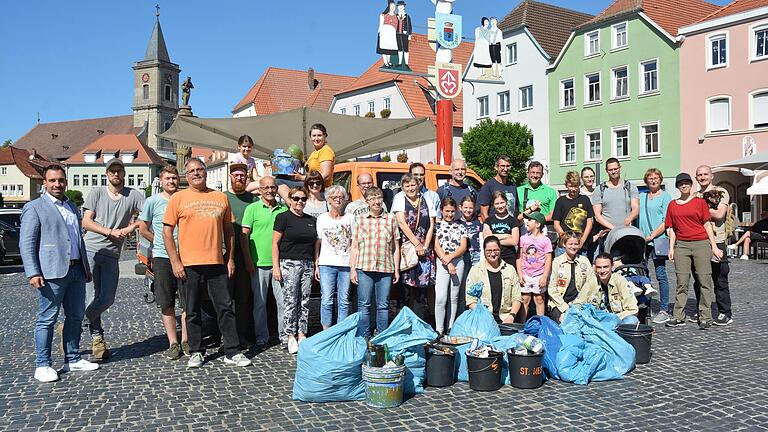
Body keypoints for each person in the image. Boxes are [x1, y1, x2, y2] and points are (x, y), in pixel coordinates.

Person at [163, 158, 251, 368]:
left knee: (225, 308)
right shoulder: (178, 198)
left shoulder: (220, 197)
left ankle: (232, 351)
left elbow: (229, 231)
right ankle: (196, 351)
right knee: (192, 310)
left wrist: (229, 258)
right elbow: (167, 232)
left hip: (216, 261)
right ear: (187, 175)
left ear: (205, 172)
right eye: (192, 170)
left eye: (200, 169)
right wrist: (175, 261)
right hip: (189, 264)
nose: (196, 173)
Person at [21, 164, 99, 382]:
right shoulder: (34, 207)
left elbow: (77, 240)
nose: (57, 184)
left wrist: (85, 267)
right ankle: (42, 364)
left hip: (76, 270)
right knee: (47, 318)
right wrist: (33, 272)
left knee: (75, 316)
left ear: (66, 181)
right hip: (51, 272)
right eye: (53, 180)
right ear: (44, 183)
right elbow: (27, 243)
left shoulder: (72, 206)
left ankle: (72, 358)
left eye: (61, 180)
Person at [81, 158, 145, 360]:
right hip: (91, 248)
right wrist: (108, 231)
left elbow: (147, 216)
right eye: (112, 171)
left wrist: (130, 227)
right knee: (91, 297)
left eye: (119, 171)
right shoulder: (97, 193)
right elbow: (86, 221)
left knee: (107, 298)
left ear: (124, 173)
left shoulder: (133, 194)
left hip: (112, 253)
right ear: (106, 174)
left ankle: (74, 324)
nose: (116, 174)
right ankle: (97, 339)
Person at [138, 165, 188, 359]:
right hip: (162, 257)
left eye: (174, 178)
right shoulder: (153, 201)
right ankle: (173, 342)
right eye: (167, 178)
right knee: (166, 301)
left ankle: (186, 340)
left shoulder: (184, 199)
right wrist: (160, 241)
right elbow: (143, 229)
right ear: (161, 181)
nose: (171, 181)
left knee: (186, 301)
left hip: (185, 255)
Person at [664, 173, 722, 330]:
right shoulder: (672, 205)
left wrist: (714, 246)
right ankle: (678, 316)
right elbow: (672, 229)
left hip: (701, 244)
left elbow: (707, 224)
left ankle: (705, 316)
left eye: (686, 183)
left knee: (704, 281)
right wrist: (671, 248)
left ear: (690, 185)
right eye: (680, 184)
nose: (683, 186)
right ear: (677, 186)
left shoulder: (700, 202)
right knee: (681, 282)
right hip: (681, 246)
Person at [242, 176, 288, 349]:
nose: (270, 190)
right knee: (259, 303)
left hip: (279, 264)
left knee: (283, 302)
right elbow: (244, 236)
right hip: (258, 263)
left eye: (273, 187)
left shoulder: (282, 209)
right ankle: (262, 336)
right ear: (259, 190)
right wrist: (248, 260)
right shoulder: (252, 208)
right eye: (266, 188)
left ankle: (284, 335)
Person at [350, 187, 401, 337]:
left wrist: (396, 269)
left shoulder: (391, 219)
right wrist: (353, 269)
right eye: (372, 198)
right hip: (364, 267)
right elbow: (354, 246)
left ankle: (381, 336)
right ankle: (364, 336)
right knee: (364, 304)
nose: (376, 201)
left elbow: (395, 247)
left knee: (383, 305)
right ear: (367, 202)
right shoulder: (360, 220)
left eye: (378, 197)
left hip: (385, 267)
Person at [272, 187, 317, 354]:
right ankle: (289, 335)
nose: (300, 202)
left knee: (305, 300)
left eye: (303, 199)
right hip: (288, 263)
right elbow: (275, 243)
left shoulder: (311, 219)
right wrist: (276, 267)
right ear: (289, 199)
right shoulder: (283, 217)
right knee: (290, 301)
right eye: (296, 198)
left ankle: (301, 333)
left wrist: (315, 265)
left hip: (307, 264)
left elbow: (314, 245)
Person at [693, 165, 733, 326]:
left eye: (705, 174)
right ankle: (703, 309)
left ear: (711, 176)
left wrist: (699, 208)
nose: (702, 177)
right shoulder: (694, 195)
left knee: (719, 277)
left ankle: (724, 312)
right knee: (699, 278)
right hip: (698, 240)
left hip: (717, 240)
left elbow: (719, 214)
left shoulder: (721, 192)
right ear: (696, 178)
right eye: (699, 175)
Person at [225, 163, 258, 349]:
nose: (239, 178)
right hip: (226, 255)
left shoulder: (253, 200)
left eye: (243, 176)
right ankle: (228, 337)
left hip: (248, 255)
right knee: (226, 299)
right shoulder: (224, 198)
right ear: (230, 177)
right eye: (236, 175)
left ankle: (242, 335)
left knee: (244, 298)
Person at [394, 173, 435, 319]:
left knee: (421, 292)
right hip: (408, 250)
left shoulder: (427, 200)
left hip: (424, 250)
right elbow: (401, 223)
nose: (411, 188)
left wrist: (425, 246)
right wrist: (417, 243)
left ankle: (420, 323)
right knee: (405, 291)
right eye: (407, 185)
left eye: (413, 185)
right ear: (403, 187)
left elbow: (431, 224)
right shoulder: (399, 199)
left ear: (418, 185)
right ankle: (404, 323)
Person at [314, 185, 354, 330]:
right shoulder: (322, 218)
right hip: (326, 264)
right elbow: (318, 242)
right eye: (334, 197)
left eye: (340, 197)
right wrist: (316, 263)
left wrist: (353, 266)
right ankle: (327, 331)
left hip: (345, 264)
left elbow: (353, 243)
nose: (338, 200)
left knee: (343, 301)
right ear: (328, 200)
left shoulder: (350, 218)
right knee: (327, 300)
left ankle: (340, 331)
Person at [638, 168, 672, 324]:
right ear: (646, 180)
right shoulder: (642, 196)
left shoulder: (666, 197)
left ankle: (664, 308)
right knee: (643, 274)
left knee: (661, 274)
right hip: (642, 241)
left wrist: (651, 235)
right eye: (650, 178)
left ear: (660, 179)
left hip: (658, 240)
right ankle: (646, 306)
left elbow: (666, 221)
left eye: (656, 178)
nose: (653, 180)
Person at [465, 236, 522, 323]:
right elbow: (470, 299)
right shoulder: (475, 270)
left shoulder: (510, 270)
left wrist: (511, 316)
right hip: (483, 319)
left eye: (496, 250)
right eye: (489, 251)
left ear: (500, 250)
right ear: (484, 251)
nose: (492, 254)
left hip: (506, 319)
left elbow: (517, 297)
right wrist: (484, 317)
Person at [434, 197, 468, 335]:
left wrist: (451, 258)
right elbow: (436, 246)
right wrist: (446, 261)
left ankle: (450, 327)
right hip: (442, 262)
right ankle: (439, 328)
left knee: (454, 297)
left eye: (452, 211)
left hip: (457, 261)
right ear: (441, 210)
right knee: (441, 297)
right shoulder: (437, 225)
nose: (449, 214)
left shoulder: (460, 225)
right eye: (447, 211)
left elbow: (463, 246)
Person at [574, 253, 639, 325]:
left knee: (632, 320)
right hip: (596, 322)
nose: (602, 271)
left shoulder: (620, 281)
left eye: (605, 267)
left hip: (616, 321)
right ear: (595, 268)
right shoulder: (591, 281)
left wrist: (612, 317)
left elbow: (633, 309)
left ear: (612, 266)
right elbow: (578, 303)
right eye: (599, 267)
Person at [277, 123, 335, 202]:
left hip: (321, 189)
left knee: (278, 181)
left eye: (319, 135)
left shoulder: (325, 151)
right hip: (310, 186)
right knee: (282, 177)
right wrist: (299, 176)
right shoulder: (314, 153)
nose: (316, 138)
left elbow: (325, 175)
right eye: (314, 136)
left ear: (325, 136)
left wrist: (301, 178)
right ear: (310, 137)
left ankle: (292, 205)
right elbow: (310, 175)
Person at [592, 158, 640, 253]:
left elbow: (635, 208)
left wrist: (630, 218)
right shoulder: (600, 190)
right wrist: (614, 229)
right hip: (608, 235)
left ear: (619, 168)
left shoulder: (630, 187)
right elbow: (597, 215)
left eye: (615, 169)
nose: (613, 172)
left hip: (628, 234)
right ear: (606, 171)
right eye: (610, 170)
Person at [548, 232, 593, 323]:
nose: (573, 247)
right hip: (559, 303)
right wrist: (565, 307)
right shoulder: (556, 262)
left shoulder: (584, 261)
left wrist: (577, 304)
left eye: (576, 244)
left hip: (580, 302)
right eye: (570, 244)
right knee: (564, 320)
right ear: (564, 244)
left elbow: (590, 283)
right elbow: (551, 288)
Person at [516, 211, 553, 321]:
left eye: (530, 220)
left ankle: (541, 324)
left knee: (539, 298)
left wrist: (545, 276)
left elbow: (548, 259)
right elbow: (520, 257)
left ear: (537, 224)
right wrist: (520, 274)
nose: (527, 222)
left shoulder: (545, 240)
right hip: (526, 273)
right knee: (525, 298)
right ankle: (522, 324)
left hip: (539, 274)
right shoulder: (523, 238)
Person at [552, 171, 594, 256]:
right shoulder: (560, 201)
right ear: (566, 185)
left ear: (579, 185)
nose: (573, 189)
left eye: (575, 186)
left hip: (581, 246)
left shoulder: (585, 199)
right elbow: (556, 224)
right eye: (571, 186)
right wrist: (565, 238)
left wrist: (582, 240)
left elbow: (589, 223)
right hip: (563, 247)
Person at [482, 191, 520, 265]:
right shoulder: (488, 220)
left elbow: (514, 241)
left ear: (506, 202)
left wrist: (493, 238)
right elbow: (487, 238)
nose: (500, 206)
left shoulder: (513, 220)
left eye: (502, 202)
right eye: (497, 204)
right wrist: (505, 236)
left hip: (509, 257)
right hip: (492, 257)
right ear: (493, 204)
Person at [478, 155, 518, 220]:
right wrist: (489, 227)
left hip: (511, 227)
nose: (505, 169)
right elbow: (483, 213)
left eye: (507, 166)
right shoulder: (488, 186)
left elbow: (515, 209)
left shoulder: (512, 186)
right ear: (496, 167)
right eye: (502, 166)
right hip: (495, 227)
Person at [377, 1, 399, 67]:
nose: (393, 8)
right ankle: (385, 62)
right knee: (384, 47)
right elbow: (381, 24)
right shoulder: (383, 15)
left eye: (394, 7)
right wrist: (380, 32)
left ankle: (388, 61)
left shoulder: (396, 16)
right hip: (385, 31)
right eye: (391, 6)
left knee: (389, 48)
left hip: (392, 33)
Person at [396, 1, 412, 68]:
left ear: (404, 7)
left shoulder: (407, 16)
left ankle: (406, 63)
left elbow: (410, 25)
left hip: (405, 34)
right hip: (397, 34)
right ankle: (399, 62)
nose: (401, 7)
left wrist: (409, 34)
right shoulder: (396, 16)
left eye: (402, 6)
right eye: (399, 6)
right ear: (398, 7)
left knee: (406, 48)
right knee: (399, 48)